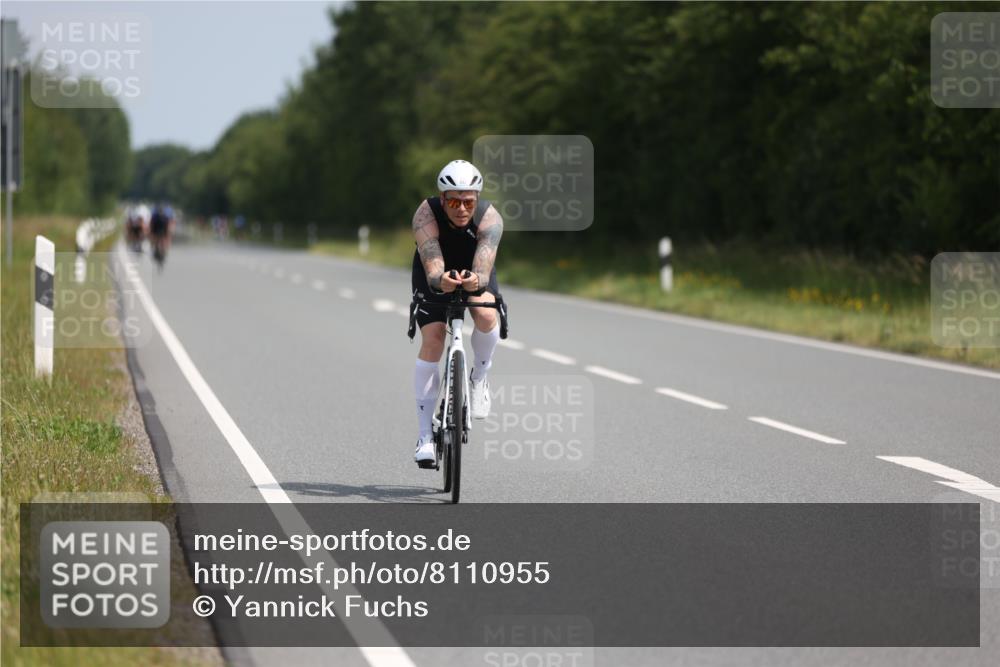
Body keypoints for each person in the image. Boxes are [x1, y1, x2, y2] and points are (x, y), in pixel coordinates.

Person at [411, 160, 503, 468]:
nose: (461, 208)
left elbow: (484, 266)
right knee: (434, 339)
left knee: (487, 314)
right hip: (434, 268)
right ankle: (424, 437)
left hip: (474, 265)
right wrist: (441, 280)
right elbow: (433, 265)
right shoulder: (425, 215)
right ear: (442, 197)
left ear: (477, 199)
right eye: (453, 201)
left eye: (468, 201)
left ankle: (480, 378)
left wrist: (476, 281)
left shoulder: (490, 218)